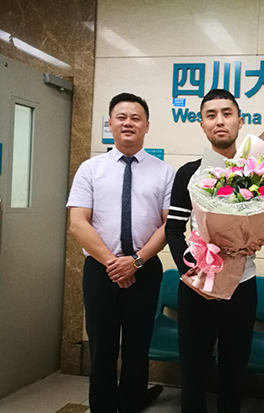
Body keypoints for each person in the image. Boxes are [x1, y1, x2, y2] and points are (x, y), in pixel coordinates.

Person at [67, 92, 175, 413]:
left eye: (136, 118)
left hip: (145, 269)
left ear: (147, 126)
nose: (128, 123)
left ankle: (130, 405)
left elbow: (168, 226)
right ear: (111, 123)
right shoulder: (90, 169)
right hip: (101, 271)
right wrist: (114, 263)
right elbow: (78, 222)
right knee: (102, 347)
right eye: (121, 117)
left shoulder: (164, 172)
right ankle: (102, 407)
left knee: (137, 348)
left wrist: (136, 261)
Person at [165, 88, 264, 413]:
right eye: (211, 115)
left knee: (235, 370)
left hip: (242, 283)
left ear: (240, 120)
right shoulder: (188, 173)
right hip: (197, 286)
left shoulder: (257, 174)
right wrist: (190, 272)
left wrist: (257, 239)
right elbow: (173, 230)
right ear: (202, 124)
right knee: (193, 369)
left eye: (226, 113)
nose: (219, 121)